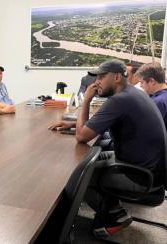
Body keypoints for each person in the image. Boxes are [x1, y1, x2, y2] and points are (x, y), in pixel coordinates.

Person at [49, 60, 165, 238]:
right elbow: (91, 128)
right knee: (93, 159)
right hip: (148, 170)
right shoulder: (131, 93)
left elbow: (81, 136)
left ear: (117, 77)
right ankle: (114, 211)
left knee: (78, 174)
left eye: (102, 77)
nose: (96, 83)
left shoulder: (120, 100)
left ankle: (113, 217)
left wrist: (87, 99)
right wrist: (71, 123)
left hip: (141, 177)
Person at [135, 62, 167, 128]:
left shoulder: (158, 102)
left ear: (152, 81)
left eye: (142, 82)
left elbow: (146, 128)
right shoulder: (163, 97)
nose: (140, 85)